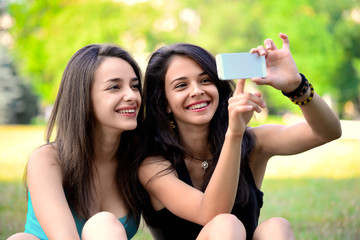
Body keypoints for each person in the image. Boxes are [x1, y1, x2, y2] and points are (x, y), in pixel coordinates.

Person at [136, 33, 342, 240]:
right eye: (181, 85)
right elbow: (212, 214)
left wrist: (296, 86)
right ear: (164, 103)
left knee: (276, 227)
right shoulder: (152, 165)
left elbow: (327, 132)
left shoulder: (252, 143)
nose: (197, 91)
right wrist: (234, 132)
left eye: (205, 80)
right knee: (225, 224)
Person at [7, 44, 143, 240]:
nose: (132, 96)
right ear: (83, 97)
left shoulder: (138, 160)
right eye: (115, 87)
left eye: (134, 86)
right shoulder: (48, 160)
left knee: (103, 224)